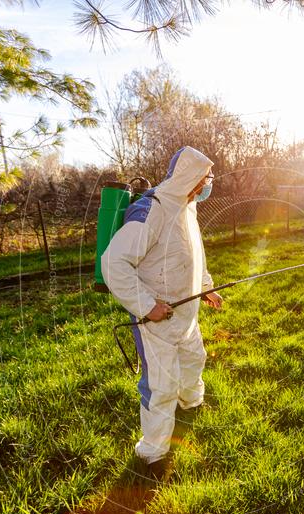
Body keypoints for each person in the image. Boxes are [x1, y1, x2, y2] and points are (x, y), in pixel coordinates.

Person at [100, 146, 223, 478]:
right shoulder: (150, 212)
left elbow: (193, 252)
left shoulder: (188, 207)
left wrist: (206, 286)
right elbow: (112, 262)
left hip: (186, 314)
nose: (209, 184)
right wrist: (146, 305)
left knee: (195, 359)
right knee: (160, 385)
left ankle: (192, 403)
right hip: (156, 319)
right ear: (190, 177)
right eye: (206, 177)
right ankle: (153, 453)